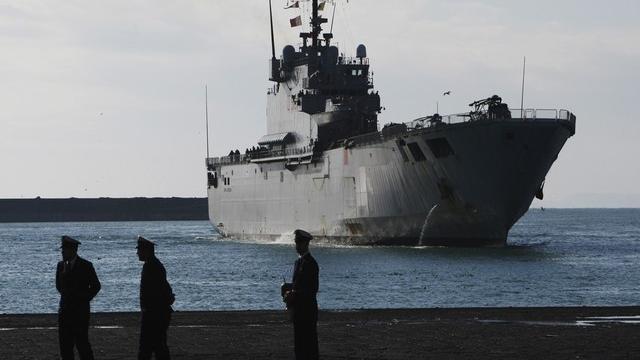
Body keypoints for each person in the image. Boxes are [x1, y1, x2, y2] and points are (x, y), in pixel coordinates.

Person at [56, 235, 101, 360]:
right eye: (62, 250)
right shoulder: (61, 266)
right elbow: (58, 286)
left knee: (82, 345)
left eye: (65, 249)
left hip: (80, 313)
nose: (62, 252)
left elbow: (96, 286)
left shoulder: (86, 265)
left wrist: (84, 299)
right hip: (65, 312)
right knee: (65, 347)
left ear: (73, 250)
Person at [282, 229, 319, 360]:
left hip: (307, 311)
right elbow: (298, 284)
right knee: (299, 346)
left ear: (306, 244)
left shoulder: (311, 263)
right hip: (299, 310)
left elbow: (313, 289)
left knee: (309, 346)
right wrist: (289, 290)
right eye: (296, 242)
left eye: (299, 242)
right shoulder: (298, 262)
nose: (297, 245)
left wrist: (294, 294)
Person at [137, 236, 175, 360]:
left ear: (146, 250)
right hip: (156, 313)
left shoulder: (151, 267)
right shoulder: (154, 265)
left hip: (154, 314)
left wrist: (148, 310)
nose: (137, 253)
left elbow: (156, 292)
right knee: (158, 346)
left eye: (140, 250)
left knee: (149, 348)